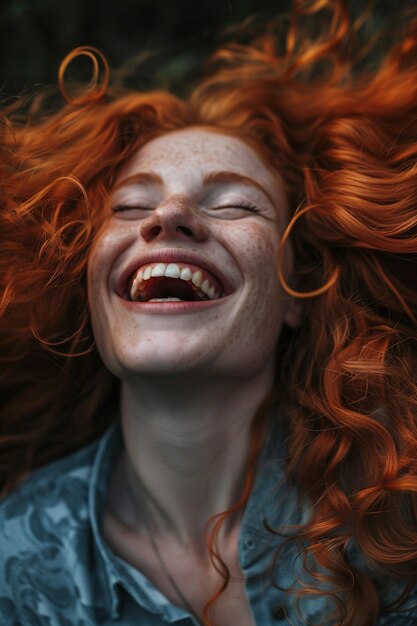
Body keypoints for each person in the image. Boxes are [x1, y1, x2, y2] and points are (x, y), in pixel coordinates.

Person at [1, 1, 417, 625]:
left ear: (296, 294)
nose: (168, 217)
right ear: (89, 286)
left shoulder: (396, 519)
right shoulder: (16, 561)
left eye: (235, 205)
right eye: (132, 204)